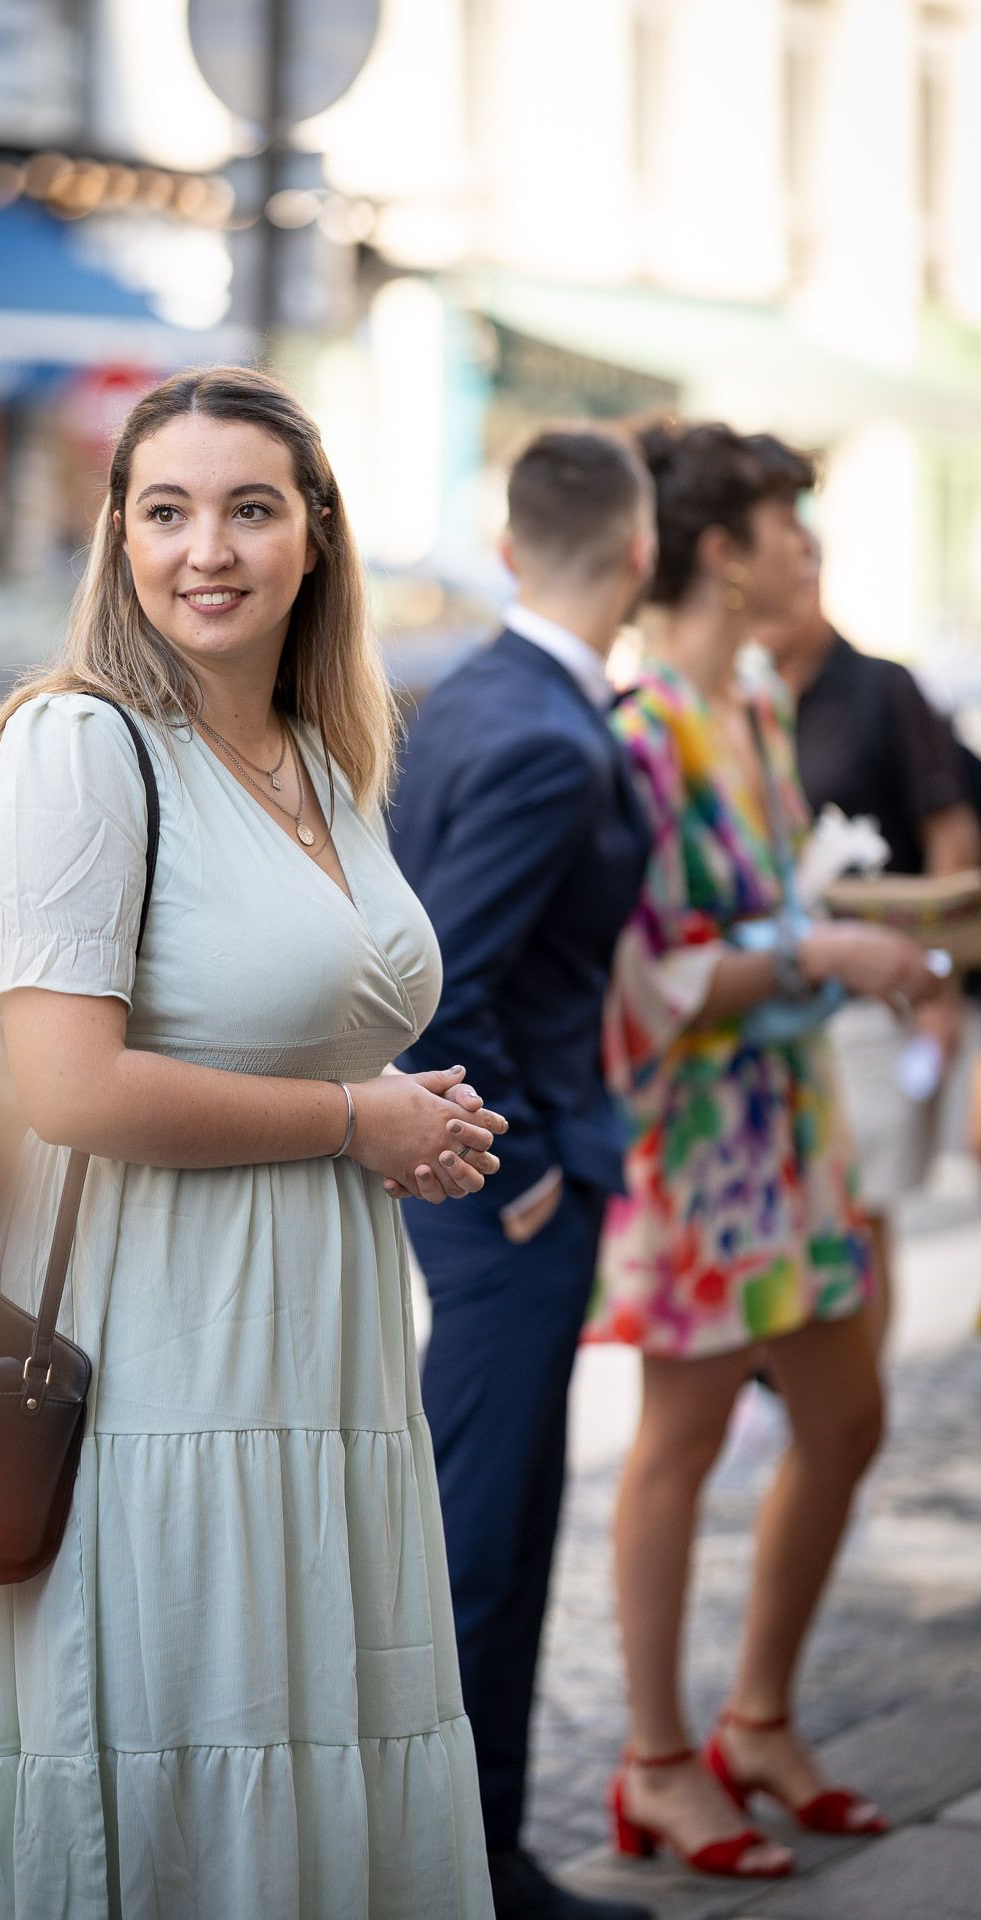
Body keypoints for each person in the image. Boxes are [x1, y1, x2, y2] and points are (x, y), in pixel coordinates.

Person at [0, 366, 506, 1918]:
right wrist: (352, 1118)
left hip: (315, 1330)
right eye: (167, 510)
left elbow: (300, 1017)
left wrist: (406, 1117)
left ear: (315, 535)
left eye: (251, 508)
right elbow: (68, 1088)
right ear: (116, 536)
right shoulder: (80, 748)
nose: (210, 549)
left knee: (315, 1720)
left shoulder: (325, 757)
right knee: (196, 1726)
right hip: (161, 1341)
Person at [589, 423, 940, 1881]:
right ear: (726, 550)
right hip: (702, 1143)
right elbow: (649, 968)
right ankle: (660, 1759)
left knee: (847, 1420)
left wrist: (852, 939)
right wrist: (832, 947)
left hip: (795, 1123)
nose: (810, 551)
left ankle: (760, 1719)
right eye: (791, 527)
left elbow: (762, 919)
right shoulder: (643, 728)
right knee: (674, 1444)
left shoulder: (746, 705)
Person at [391, 428, 658, 1920]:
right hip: (508, 1200)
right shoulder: (552, 738)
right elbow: (446, 985)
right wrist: (529, 1177)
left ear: (507, 551)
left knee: (477, 1519)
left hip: (486, 1188)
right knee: (489, 1535)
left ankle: (458, 1853)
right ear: (638, 557)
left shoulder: (465, 695)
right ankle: (472, 1870)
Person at [758, 556, 980, 1351]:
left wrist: (939, 985)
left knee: (857, 1210)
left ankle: (854, 1404)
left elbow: (950, 832)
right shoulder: (742, 697)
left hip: (875, 996)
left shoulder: (882, 688)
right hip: (772, 990)